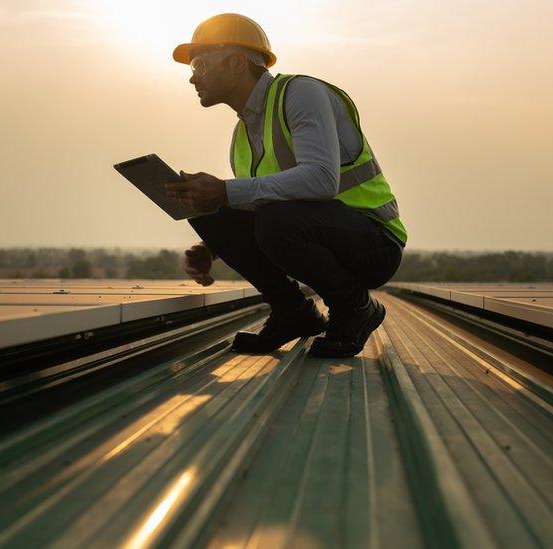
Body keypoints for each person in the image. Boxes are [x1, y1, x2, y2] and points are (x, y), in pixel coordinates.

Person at [164, 13, 407, 358]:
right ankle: (293, 313)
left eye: (201, 63)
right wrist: (214, 245)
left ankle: (355, 308)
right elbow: (256, 200)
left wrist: (226, 190)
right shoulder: (243, 134)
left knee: (270, 216)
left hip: (373, 244)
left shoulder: (301, 94)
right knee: (206, 210)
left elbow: (322, 179)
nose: (192, 77)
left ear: (236, 63)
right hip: (317, 233)